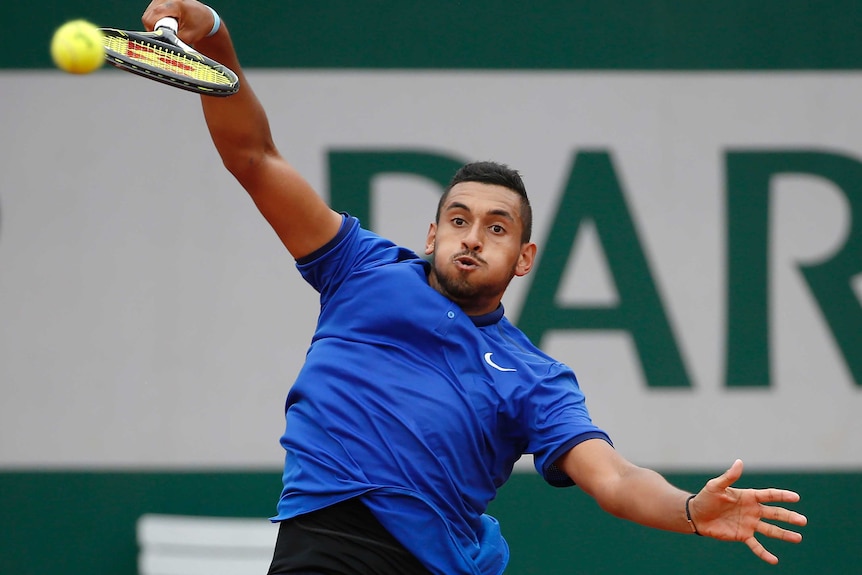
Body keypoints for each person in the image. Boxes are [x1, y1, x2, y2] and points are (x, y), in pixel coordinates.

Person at [141, 2, 808, 574]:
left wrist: (688, 509)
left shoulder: (534, 378)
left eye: (496, 227)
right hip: (323, 543)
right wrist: (214, 37)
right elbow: (255, 158)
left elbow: (615, 477)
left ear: (523, 257)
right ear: (431, 233)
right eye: (458, 220)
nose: (471, 237)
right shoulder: (360, 268)